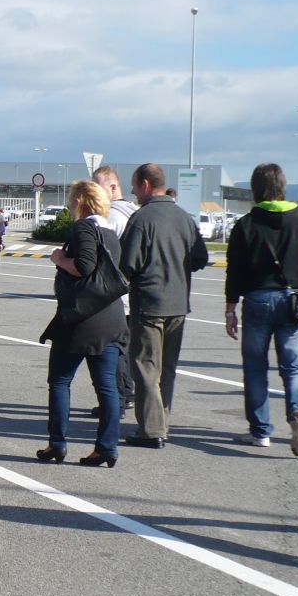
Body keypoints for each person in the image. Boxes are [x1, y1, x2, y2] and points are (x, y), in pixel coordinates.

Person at [224, 163, 298, 455]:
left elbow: (235, 270)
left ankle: (260, 432)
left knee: (255, 368)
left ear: (255, 189)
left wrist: (230, 308)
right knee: (294, 367)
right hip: (296, 301)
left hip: (258, 300)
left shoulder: (246, 224)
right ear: (283, 186)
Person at [37, 180, 127, 467]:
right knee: (107, 387)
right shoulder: (110, 231)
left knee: (60, 381)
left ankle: (57, 443)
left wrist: (59, 258)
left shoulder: (84, 228)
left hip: (81, 319)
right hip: (110, 318)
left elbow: (83, 266)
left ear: (79, 201)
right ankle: (107, 448)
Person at [118, 163, 209, 448]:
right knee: (167, 368)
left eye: (135, 185)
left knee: (145, 366)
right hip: (178, 303)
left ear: (146, 184)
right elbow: (201, 258)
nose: (133, 191)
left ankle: (151, 430)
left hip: (149, 304)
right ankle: (162, 423)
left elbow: (126, 265)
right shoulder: (184, 218)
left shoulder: (141, 218)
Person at [92, 165, 140, 415]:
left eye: (97, 186)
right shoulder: (135, 211)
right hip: (134, 294)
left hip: (117, 295)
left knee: (115, 349)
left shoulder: (112, 216)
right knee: (126, 348)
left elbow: (104, 256)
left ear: (113, 187)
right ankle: (127, 393)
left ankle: (118, 400)